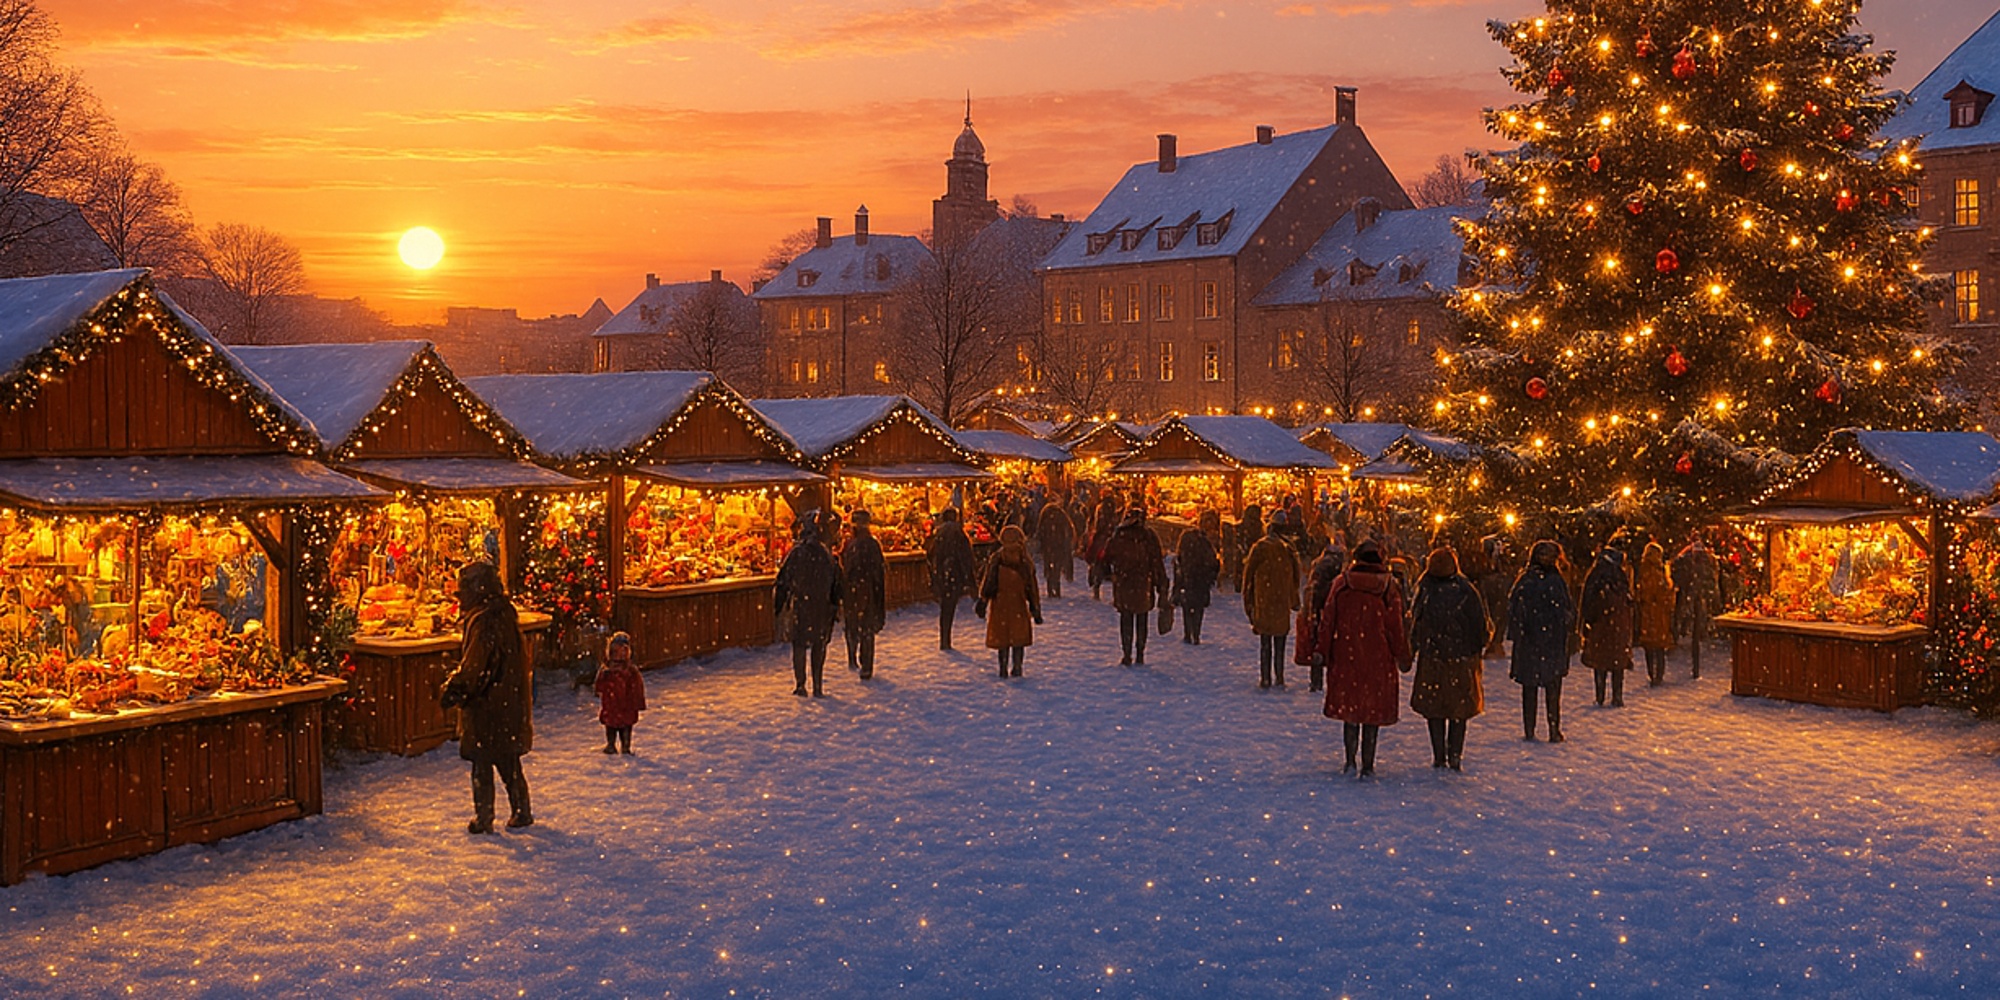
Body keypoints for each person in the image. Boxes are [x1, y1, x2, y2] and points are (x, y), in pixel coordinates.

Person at [440, 561, 531, 834]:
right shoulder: (502, 614)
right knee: (508, 761)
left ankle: (484, 817)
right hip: (507, 701)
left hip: (488, 704)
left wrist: (455, 688)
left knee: (483, 762)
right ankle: (521, 809)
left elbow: (476, 665)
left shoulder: (485, 620)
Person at [1316, 541, 1411, 777]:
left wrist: (1322, 649)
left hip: (1346, 652)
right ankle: (1368, 763)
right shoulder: (1388, 587)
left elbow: (1329, 618)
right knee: (1372, 711)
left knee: (1351, 711)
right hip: (1378, 656)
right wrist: (1401, 653)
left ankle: (1350, 759)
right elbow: (1395, 626)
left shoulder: (1342, 584)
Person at [1408, 547, 1489, 771]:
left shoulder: (1425, 590)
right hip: (1460, 660)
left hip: (1432, 658)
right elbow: (1480, 626)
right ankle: (1455, 755)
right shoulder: (1466, 590)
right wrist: (1475, 647)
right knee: (1459, 710)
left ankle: (1439, 755)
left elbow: (1415, 624)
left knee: (1434, 709)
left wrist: (1414, 648)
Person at [1509, 540, 1574, 742]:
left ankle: (1530, 729)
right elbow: (1568, 611)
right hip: (1551, 641)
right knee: (1552, 689)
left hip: (1531, 642)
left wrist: (1520, 633)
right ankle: (1553, 729)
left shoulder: (1526, 581)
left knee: (1530, 688)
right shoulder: (1556, 581)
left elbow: (1514, 611)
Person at [775, 513, 844, 698]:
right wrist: (835, 604)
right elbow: (837, 582)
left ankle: (800, 684)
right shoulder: (825, 554)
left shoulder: (796, 554)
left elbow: (782, 581)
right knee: (818, 645)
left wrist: (779, 606)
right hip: (822, 606)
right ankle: (818, 685)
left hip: (802, 606)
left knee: (799, 645)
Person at [1103, 505, 1169, 665]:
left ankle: (1127, 653)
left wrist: (1112, 573)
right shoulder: (1148, 537)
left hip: (1124, 584)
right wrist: (1161, 584)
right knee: (1142, 619)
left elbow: (1107, 557)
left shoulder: (1119, 536)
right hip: (1143, 585)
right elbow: (1156, 562)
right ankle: (1140, 653)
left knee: (1126, 619)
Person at [1241, 514, 1301, 688]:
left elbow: (1248, 577)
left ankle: (1265, 677)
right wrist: (1293, 599)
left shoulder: (1260, 548)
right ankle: (1279, 675)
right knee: (1280, 641)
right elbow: (1296, 578)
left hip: (1264, 600)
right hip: (1281, 600)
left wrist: (1249, 602)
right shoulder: (1288, 549)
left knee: (1265, 641)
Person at [977, 524, 1043, 677]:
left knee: (1003, 636)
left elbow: (989, 582)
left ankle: (1003, 667)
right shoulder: (1024, 560)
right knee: (1018, 636)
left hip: (1000, 603)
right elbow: (1031, 587)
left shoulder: (997, 558)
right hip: (1018, 603)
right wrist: (1035, 608)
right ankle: (1017, 667)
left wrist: (983, 600)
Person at [1579, 546, 1635, 707]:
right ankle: (1617, 696)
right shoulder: (1619, 575)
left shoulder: (1595, 574)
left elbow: (1587, 601)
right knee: (1617, 660)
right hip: (1618, 623)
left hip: (1600, 624)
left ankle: (1600, 695)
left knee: (1600, 662)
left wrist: (1588, 622)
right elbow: (1629, 599)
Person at [840, 509, 887, 680]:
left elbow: (847, 568)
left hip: (855, 592)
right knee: (866, 629)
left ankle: (855, 658)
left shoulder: (852, 545)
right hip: (868, 591)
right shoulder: (871, 545)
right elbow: (878, 571)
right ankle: (865, 663)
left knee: (855, 626)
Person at [926, 507, 977, 651]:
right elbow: (966, 556)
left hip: (943, 574)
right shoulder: (959, 533)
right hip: (954, 573)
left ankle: (944, 638)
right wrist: (969, 578)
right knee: (949, 605)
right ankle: (945, 639)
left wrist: (935, 573)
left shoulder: (939, 533)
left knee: (946, 607)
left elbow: (930, 553)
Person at [1670, 536, 1721, 679]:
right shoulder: (1702, 563)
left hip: (1695, 599)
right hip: (1695, 599)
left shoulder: (1696, 563)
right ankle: (1695, 666)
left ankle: (1695, 666)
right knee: (1695, 629)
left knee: (1695, 629)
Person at [1300, 539, 1347, 692]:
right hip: (1332, 608)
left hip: (1317, 607)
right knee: (1335, 645)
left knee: (1317, 643)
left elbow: (1310, 588)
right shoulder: (1338, 568)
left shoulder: (1318, 565)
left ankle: (1316, 681)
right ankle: (1335, 681)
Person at [1173, 510, 1222, 644]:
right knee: (1198, 607)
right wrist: (1211, 575)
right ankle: (1196, 633)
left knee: (1187, 605)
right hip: (1201, 579)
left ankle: (1188, 632)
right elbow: (1212, 561)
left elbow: (1179, 557)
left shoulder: (1186, 538)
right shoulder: (1204, 541)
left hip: (1188, 577)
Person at [593, 632, 645, 754]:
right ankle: (611, 745)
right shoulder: (607, 670)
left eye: (623, 651)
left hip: (626, 704)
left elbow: (637, 686)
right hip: (611, 705)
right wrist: (600, 688)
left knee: (626, 726)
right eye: (616, 651)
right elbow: (599, 684)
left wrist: (637, 701)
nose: (620, 655)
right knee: (610, 725)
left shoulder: (630, 670)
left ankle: (625, 746)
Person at [1633, 541, 1677, 686]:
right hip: (1657, 613)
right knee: (1657, 646)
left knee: (1651, 646)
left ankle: (1654, 673)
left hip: (1651, 613)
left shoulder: (1645, 571)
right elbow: (1658, 593)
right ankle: (1657, 675)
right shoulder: (1657, 572)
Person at [1036, 499, 1075, 598]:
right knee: (1057, 567)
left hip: (1048, 545)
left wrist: (1042, 542)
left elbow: (1039, 530)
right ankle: (1056, 588)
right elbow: (1069, 529)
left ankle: (1050, 589)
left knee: (1049, 566)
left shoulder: (1045, 514)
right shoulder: (1061, 514)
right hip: (1058, 545)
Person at [1086, 495, 1120, 600]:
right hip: (1111, 543)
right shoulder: (1114, 517)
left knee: (1098, 566)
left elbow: (1098, 528)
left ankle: (1096, 590)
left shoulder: (1102, 515)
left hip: (1101, 544)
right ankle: (1115, 595)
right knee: (1115, 570)